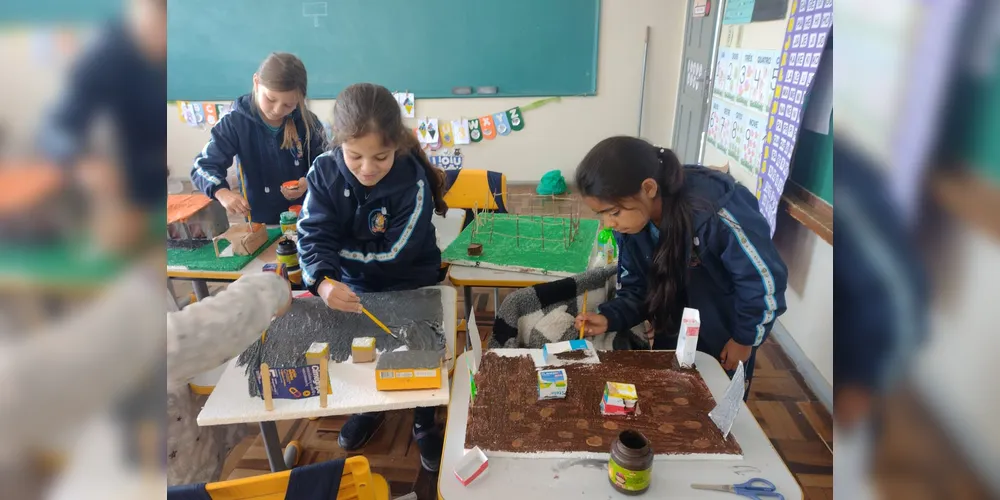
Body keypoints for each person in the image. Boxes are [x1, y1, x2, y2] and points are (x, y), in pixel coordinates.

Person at [297, 83, 448, 471]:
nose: (367, 168)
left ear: (397, 144)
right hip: (353, 282)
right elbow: (313, 236)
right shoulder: (324, 173)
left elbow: (396, 255)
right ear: (339, 145)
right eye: (354, 156)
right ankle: (369, 409)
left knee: (419, 345)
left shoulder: (411, 181)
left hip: (411, 277)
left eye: (380, 156)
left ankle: (422, 420)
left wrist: (336, 262)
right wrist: (323, 281)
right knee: (362, 348)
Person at [572, 136, 788, 390]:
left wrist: (744, 340)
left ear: (649, 188)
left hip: (724, 335)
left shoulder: (715, 212)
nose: (609, 224)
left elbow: (763, 283)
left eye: (614, 212)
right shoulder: (632, 226)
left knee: (716, 400)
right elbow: (637, 288)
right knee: (675, 397)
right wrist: (610, 317)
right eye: (603, 215)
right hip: (673, 330)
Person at [190, 52, 326, 225]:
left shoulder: (308, 122)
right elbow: (203, 165)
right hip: (260, 223)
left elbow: (326, 163)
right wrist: (222, 193)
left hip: (307, 217)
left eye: (288, 105)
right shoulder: (235, 122)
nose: (277, 110)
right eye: (270, 99)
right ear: (256, 82)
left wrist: (309, 181)